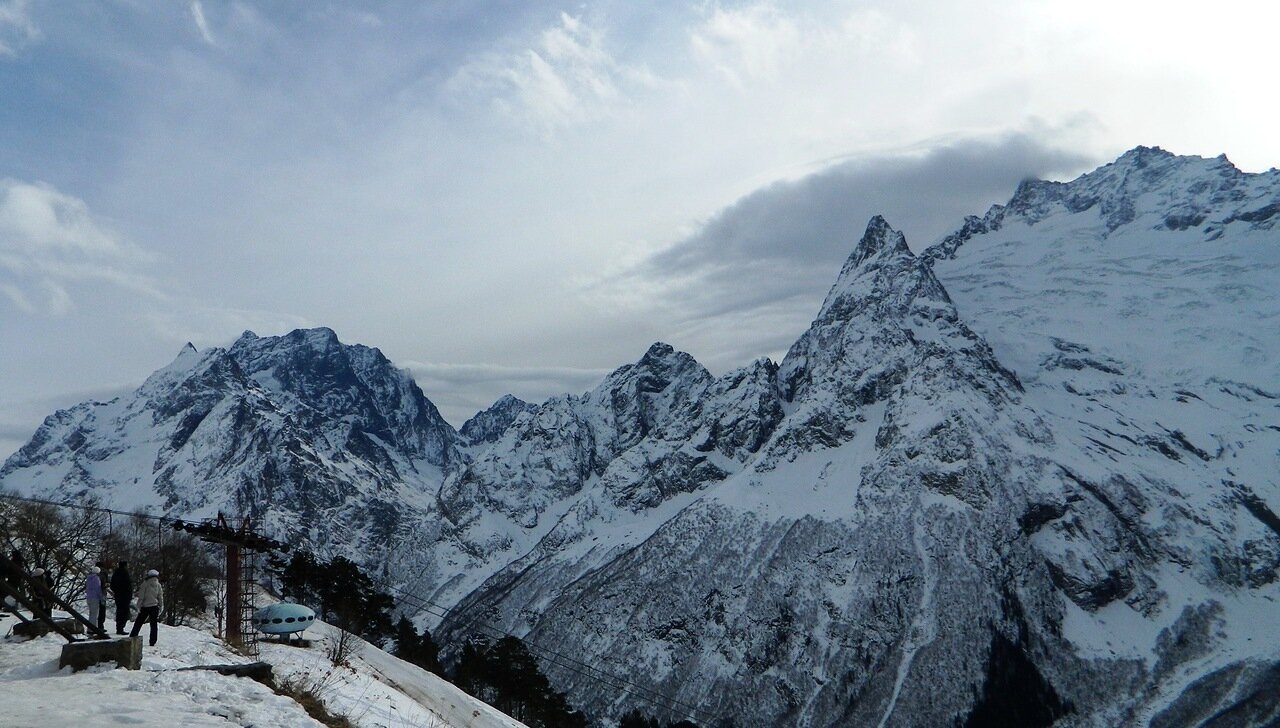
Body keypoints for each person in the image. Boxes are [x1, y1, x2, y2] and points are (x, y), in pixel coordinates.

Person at [129, 569, 163, 646]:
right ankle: (152, 641)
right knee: (154, 625)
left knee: (138, 623)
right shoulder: (158, 585)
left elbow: (141, 597)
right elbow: (160, 597)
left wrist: (138, 606)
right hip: (154, 607)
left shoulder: (145, 584)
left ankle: (132, 637)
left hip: (145, 607)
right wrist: (161, 606)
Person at [111, 561, 132, 635]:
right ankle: (121, 628)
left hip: (118, 596)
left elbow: (112, 585)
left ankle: (118, 627)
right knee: (124, 613)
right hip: (125, 597)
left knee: (119, 612)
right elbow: (128, 586)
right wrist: (129, 595)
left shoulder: (115, 573)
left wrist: (116, 591)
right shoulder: (125, 574)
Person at [85, 566, 105, 631]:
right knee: (94, 615)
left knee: (91, 614)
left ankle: (89, 628)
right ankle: (92, 629)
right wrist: (101, 598)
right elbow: (98, 589)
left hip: (89, 597)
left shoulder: (88, 578)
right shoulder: (96, 579)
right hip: (95, 598)